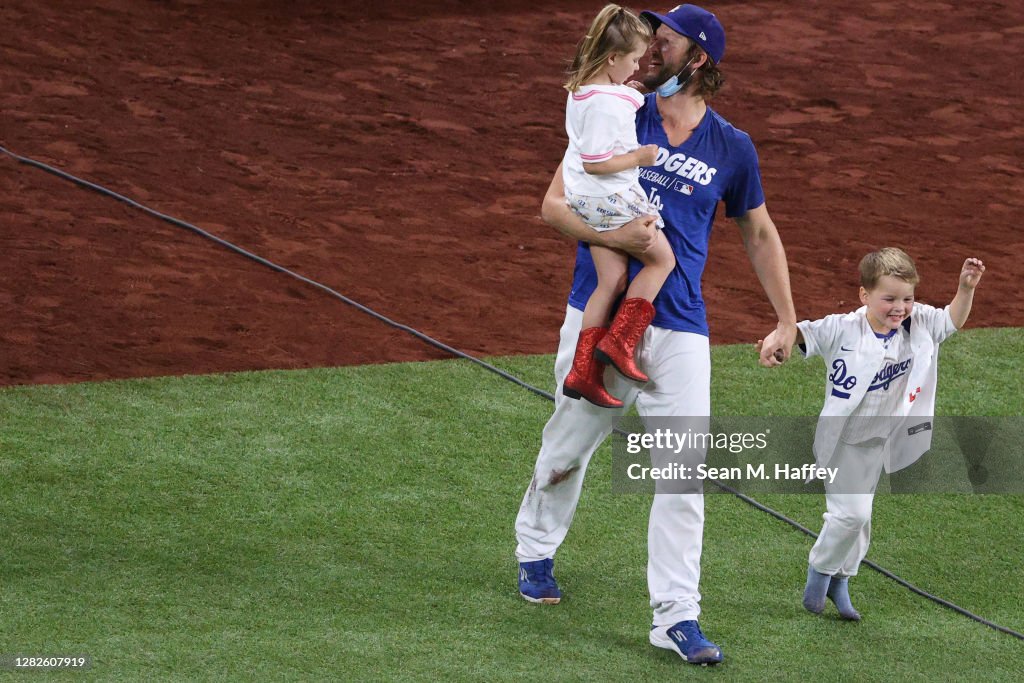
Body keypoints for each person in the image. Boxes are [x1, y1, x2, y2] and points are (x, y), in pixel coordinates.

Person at [515, 4, 797, 666]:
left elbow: (757, 231)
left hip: (680, 326)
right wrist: (611, 237)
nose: (651, 52)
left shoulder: (731, 146)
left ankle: (676, 614)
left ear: (697, 59)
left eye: (665, 42)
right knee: (567, 448)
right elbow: (554, 204)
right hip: (601, 310)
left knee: (682, 473)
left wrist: (786, 317)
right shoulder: (619, 111)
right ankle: (535, 544)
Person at [789, 249, 985, 620]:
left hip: (880, 441)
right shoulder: (844, 328)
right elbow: (801, 333)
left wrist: (965, 288)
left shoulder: (920, 323)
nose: (900, 307)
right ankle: (819, 572)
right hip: (841, 441)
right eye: (890, 299)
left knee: (861, 518)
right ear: (864, 296)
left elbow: (952, 320)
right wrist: (776, 342)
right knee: (850, 514)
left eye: (907, 298)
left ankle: (841, 580)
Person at [558, 4, 676, 409]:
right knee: (662, 260)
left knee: (612, 281)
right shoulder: (609, 103)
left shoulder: (583, 90)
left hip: (583, 201)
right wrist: (640, 158)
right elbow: (597, 161)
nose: (637, 66)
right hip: (609, 196)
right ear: (612, 58)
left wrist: (629, 93)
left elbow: (613, 98)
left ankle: (582, 372)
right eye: (632, 60)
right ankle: (620, 342)